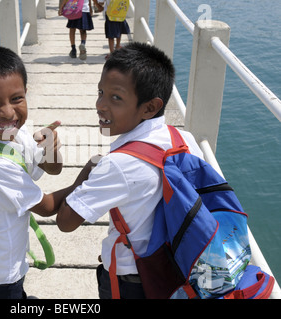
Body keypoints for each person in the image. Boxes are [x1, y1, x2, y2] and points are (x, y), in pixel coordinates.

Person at [55, 42, 204, 299]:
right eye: (100, 92)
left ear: (149, 107)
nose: (100, 105)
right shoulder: (184, 139)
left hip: (132, 280)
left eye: (116, 98)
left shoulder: (118, 164)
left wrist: (87, 172)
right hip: (177, 265)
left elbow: (65, 222)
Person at [0, 46, 86, 299]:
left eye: (16, 99)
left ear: (26, 93)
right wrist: (86, 178)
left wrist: (50, 148)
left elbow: (51, 169)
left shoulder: (11, 133)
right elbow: (48, 207)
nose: (7, 112)